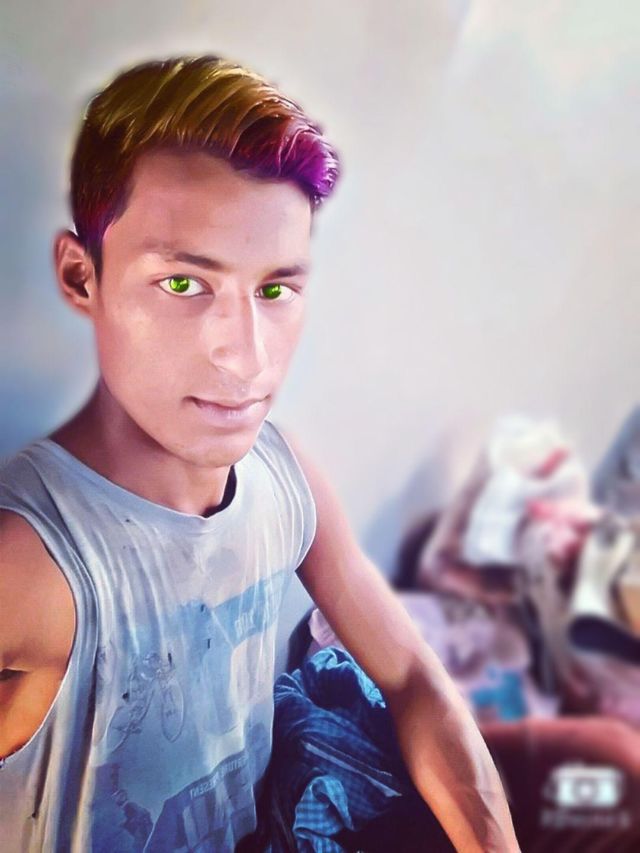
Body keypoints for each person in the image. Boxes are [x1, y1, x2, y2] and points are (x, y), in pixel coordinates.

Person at [0, 55, 519, 852]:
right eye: (184, 284)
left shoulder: (279, 471)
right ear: (81, 276)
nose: (247, 357)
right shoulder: (33, 561)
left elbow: (414, 676)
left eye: (274, 290)